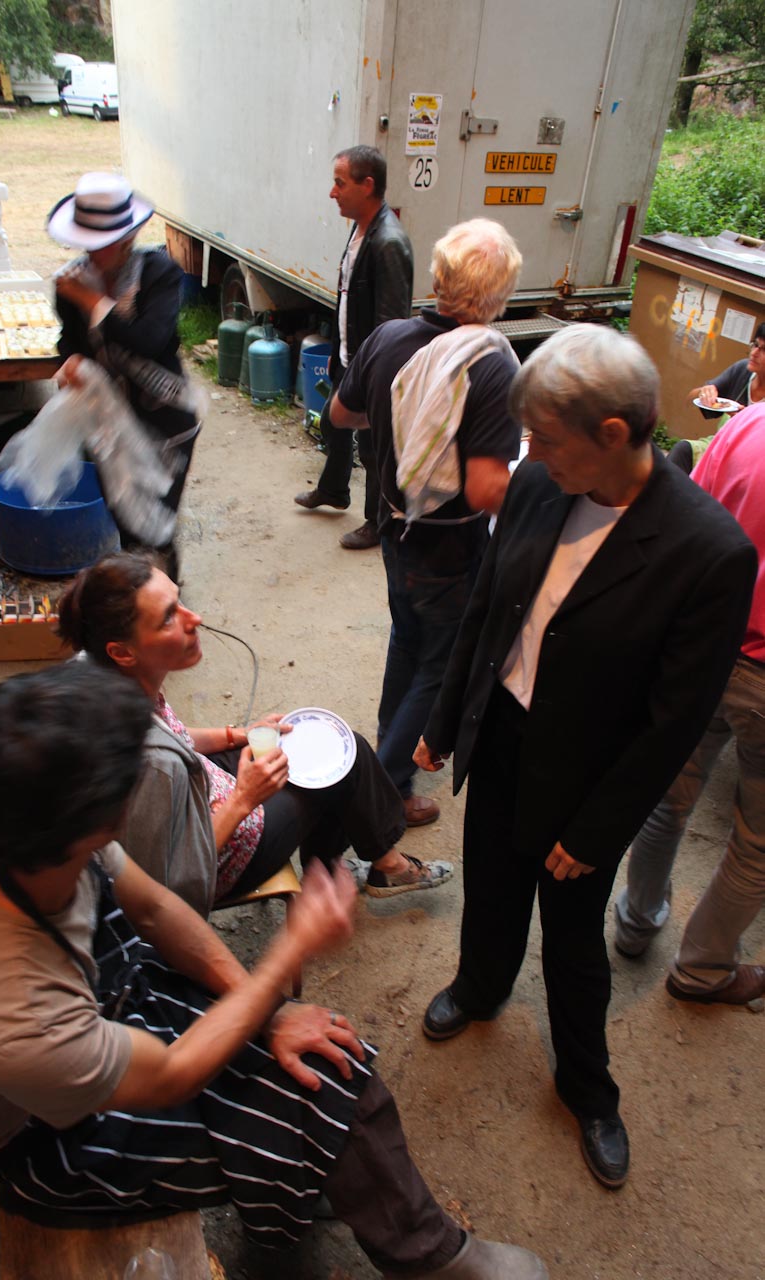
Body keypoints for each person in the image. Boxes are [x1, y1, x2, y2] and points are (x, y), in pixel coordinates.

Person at [0, 664, 547, 1280]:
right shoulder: (10, 1014)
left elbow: (155, 909)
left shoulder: (27, 820)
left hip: (105, 993)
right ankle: (428, 1258)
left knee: (319, 1056)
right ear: (102, 819)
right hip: (48, 1138)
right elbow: (172, 1075)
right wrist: (286, 955)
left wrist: (269, 1010)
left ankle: (345, 1186)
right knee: (318, 1093)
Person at [413, 324, 756, 1191]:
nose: (529, 455)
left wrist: (599, 828)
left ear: (611, 433)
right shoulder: (540, 483)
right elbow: (490, 609)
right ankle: (479, 987)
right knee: (490, 886)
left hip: (586, 777)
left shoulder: (707, 551)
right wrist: (447, 720)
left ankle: (585, 1087)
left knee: (571, 940)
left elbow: (674, 721)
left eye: (544, 438)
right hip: (503, 733)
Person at [57, 551, 453, 910]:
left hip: (201, 788)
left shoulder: (101, 673)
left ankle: (340, 869)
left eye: (179, 601)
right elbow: (166, 880)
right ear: (122, 651)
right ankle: (380, 868)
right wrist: (243, 800)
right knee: (344, 763)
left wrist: (240, 734)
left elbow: (174, 735)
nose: (194, 619)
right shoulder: (148, 762)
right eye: (168, 617)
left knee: (320, 742)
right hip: (225, 856)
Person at [330, 218, 522, 827]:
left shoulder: (389, 337)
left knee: (408, 641)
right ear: (500, 294)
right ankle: (382, 794)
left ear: (438, 277)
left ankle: (389, 766)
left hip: (395, 528)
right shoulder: (490, 366)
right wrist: (544, 503)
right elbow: (486, 488)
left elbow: (340, 414)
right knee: (440, 667)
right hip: (449, 546)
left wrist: (397, 424)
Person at [614, 402, 765, 1005]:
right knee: (755, 843)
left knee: (669, 798)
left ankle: (636, 921)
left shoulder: (748, 423)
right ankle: (703, 969)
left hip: (707, 648)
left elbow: (688, 521)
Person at [47, 172, 202, 582]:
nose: (95, 253)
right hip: (108, 420)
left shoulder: (158, 274)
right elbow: (70, 340)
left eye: (105, 243)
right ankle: (141, 598)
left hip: (165, 420)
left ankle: (166, 597)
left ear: (128, 237)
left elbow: (150, 341)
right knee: (125, 518)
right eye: (89, 243)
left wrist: (95, 302)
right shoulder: (71, 282)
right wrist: (68, 362)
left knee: (157, 524)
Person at [295, 145, 413, 551]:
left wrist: (374, 380)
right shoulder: (361, 228)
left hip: (371, 367)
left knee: (374, 447)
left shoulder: (389, 242)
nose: (333, 192)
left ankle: (377, 523)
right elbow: (349, 296)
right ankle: (334, 490)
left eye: (340, 183)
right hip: (349, 356)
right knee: (332, 423)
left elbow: (391, 325)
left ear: (367, 186)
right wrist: (338, 348)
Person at [671, 321, 765, 472]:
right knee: (683, 450)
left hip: (753, 466)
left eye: (764, 350)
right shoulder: (742, 371)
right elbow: (689, 399)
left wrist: (745, 420)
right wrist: (703, 393)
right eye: (755, 345)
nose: (754, 353)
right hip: (720, 448)